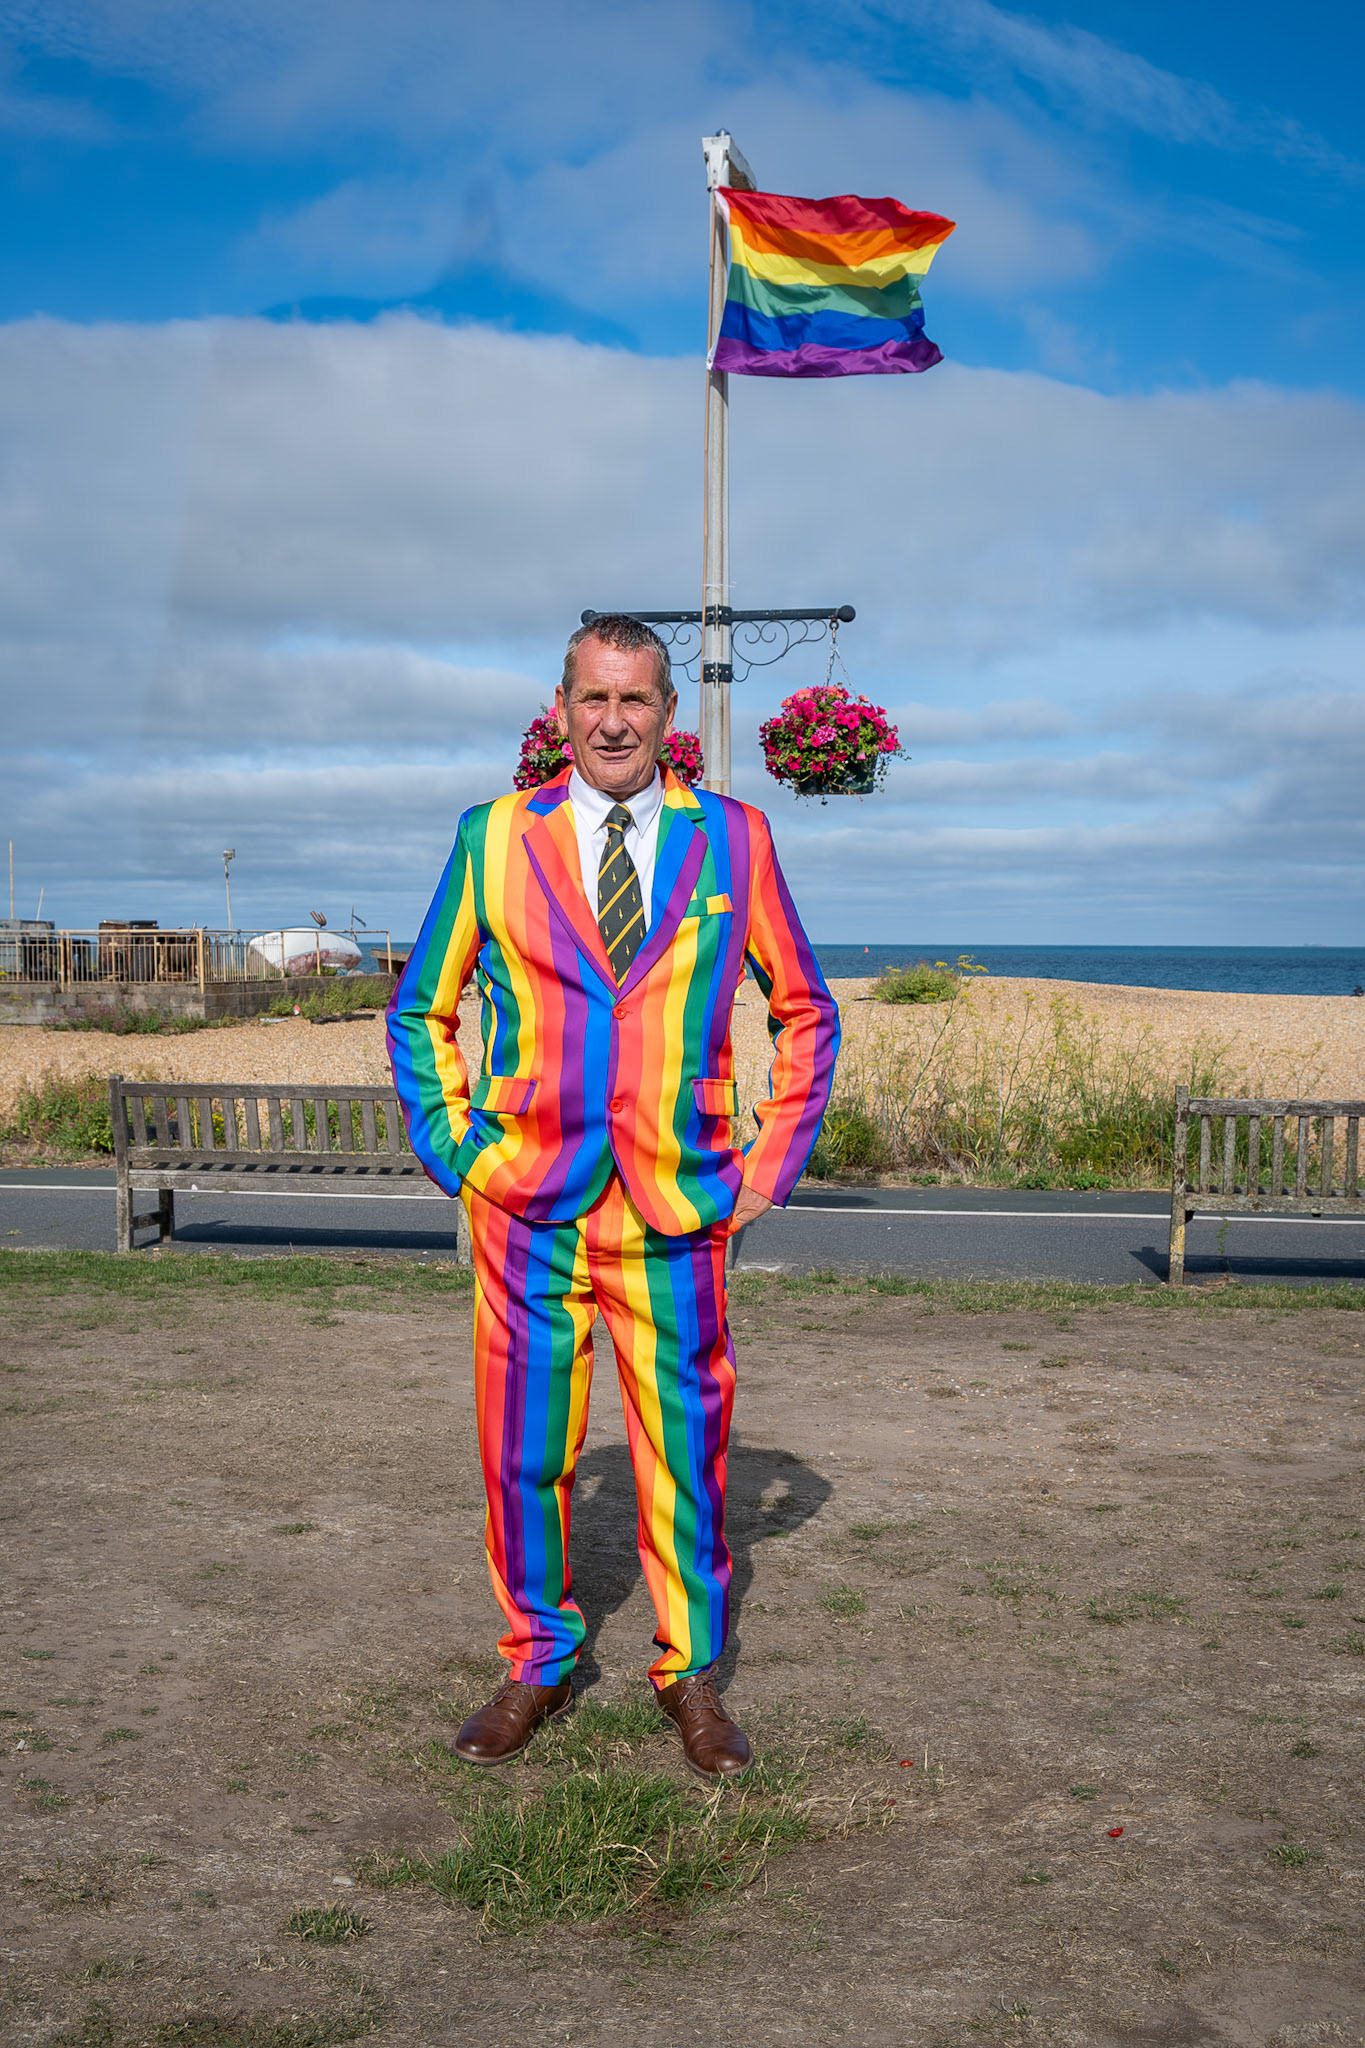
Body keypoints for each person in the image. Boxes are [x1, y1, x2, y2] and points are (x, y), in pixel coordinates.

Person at [387, 614, 838, 1777]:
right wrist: (461, 1154)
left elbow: (804, 1011)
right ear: (562, 705)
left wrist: (763, 1170)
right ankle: (536, 1662)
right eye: (595, 699)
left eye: (636, 700)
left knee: (686, 1455)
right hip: (527, 1204)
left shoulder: (734, 838)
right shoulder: (492, 837)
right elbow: (419, 1009)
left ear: (667, 713)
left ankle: (689, 1675)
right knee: (521, 1450)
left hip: (677, 1211)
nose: (614, 721)